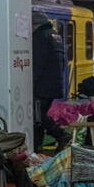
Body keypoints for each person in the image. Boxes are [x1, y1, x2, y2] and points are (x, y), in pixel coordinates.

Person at [31, 11, 70, 153]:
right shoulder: (55, 36)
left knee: (38, 116)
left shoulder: (40, 37)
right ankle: (37, 148)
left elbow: (38, 63)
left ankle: (61, 135)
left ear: (35, 24)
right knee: (38, 118)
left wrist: (31, 83)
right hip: (53, 83)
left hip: (42, 85)